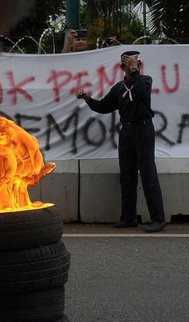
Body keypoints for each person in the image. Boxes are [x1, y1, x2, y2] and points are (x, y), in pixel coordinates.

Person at [76, 51, 166, 233]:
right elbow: (103, 106)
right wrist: (87, 99)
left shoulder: (145, 81)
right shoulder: (119, 88)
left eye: (136, 64)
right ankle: (129, 217)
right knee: (127, 176)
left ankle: (158, 219)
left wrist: (135, 71)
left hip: (143, 130)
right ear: (121, 68)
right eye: (129, 65)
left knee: (148, 174)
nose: (134, 67)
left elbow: (140, 91)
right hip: (127, 131)